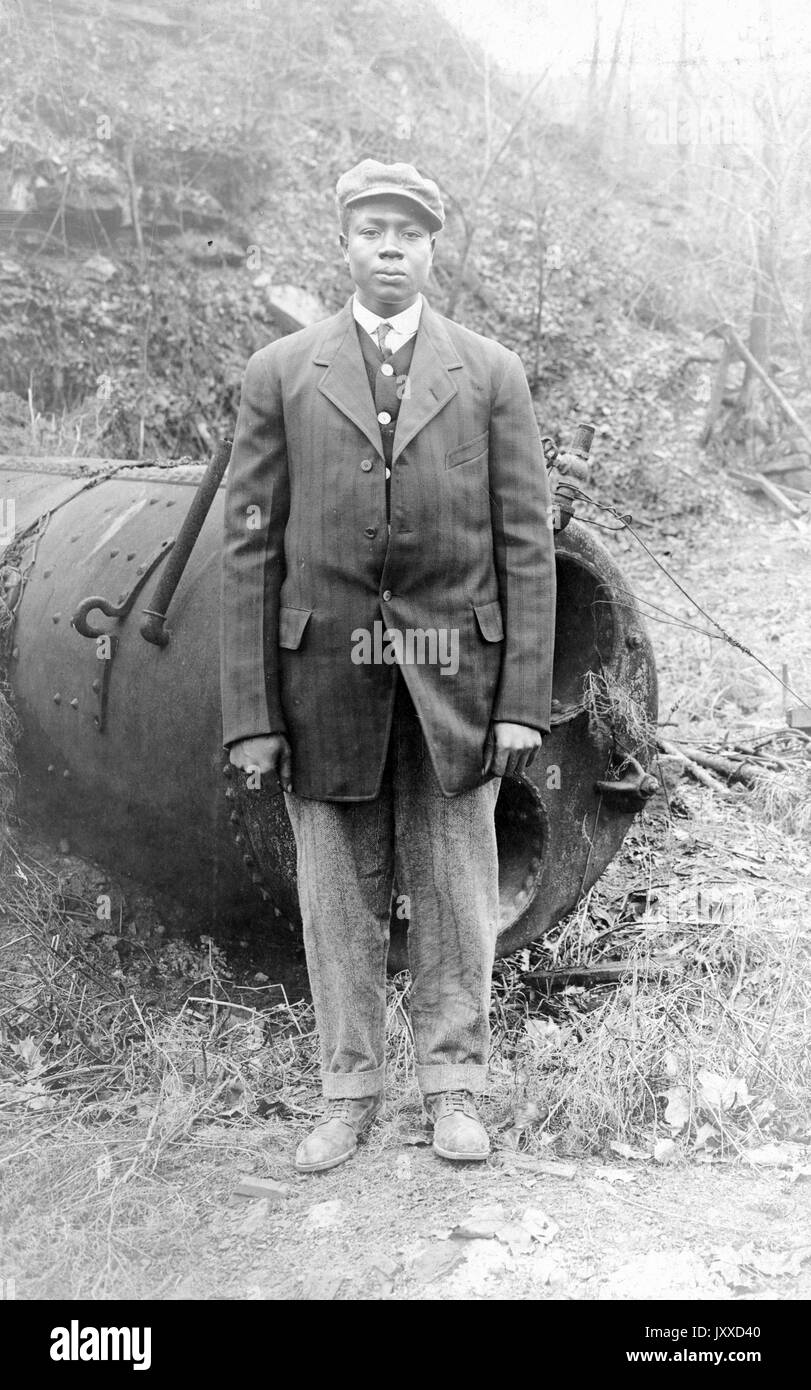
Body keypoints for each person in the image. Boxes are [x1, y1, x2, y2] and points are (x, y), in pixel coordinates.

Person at [220, 159, 556, 1172]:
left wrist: (520, 702)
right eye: (371, 230)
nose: (389, 248)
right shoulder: (280, 372)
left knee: (456, 887)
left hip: (455, 677)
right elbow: (247, 545)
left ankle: (454, 1092)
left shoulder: (489, 373)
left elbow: (526, 544)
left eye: (407, 233)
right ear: (344, 244)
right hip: (321, 675)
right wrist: (251, 712)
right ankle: (347, 1092)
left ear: (432, 248)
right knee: (337, 893)